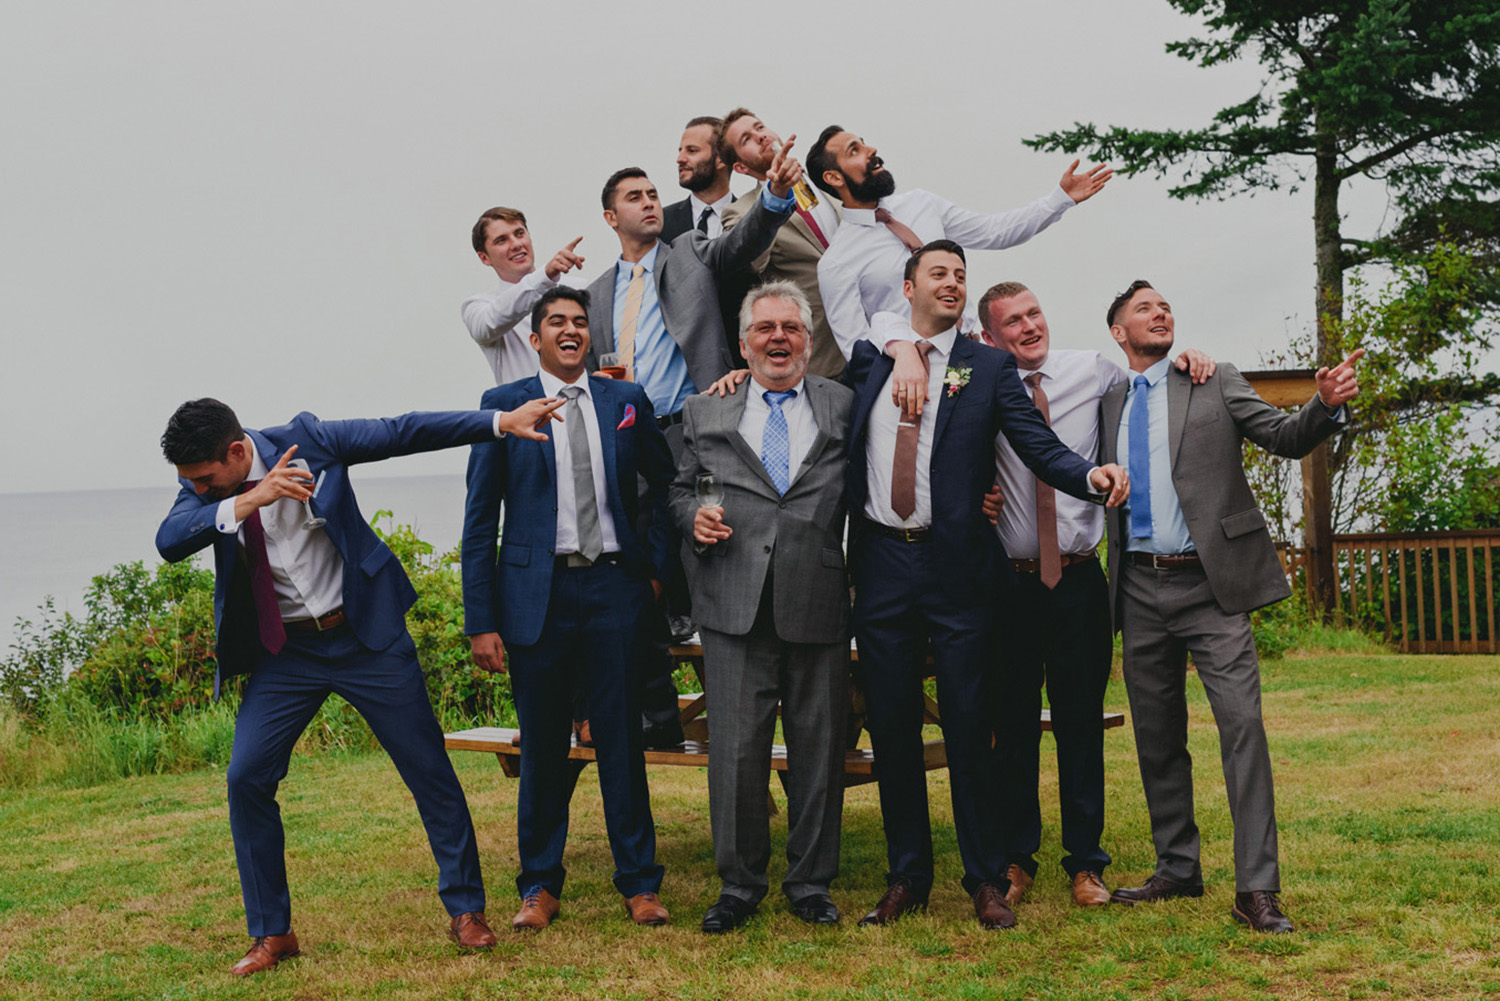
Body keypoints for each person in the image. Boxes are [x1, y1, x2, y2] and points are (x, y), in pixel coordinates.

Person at [156, 394, 564, 975]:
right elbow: (171, 540)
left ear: (238, 449)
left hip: (365, 637)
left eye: (205, 478)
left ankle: (467, 910)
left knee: (429, 771)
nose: (197, 489)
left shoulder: (312, 441)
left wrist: (500, 422)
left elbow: (403, 430)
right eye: (190, 482)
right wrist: (250, 499)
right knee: (246, 776)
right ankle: (273, 933)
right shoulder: (207, 489)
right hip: (286, 654)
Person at [845, 241, 1128, 931]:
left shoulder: (989, 366)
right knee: (891, 724)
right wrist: (900, 345)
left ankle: (986, 875)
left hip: (960, 567)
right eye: (937, 272)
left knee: (973, 723)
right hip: (882, 564)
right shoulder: (868, 358)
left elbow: (1037, 442)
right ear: (908, 285)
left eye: (959, 275)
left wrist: (1087, 475)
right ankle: (906, 874)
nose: (951, 281)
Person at [1099, 280, 1362, 933]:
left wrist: (1323, 404)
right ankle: (1178, 867)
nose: (1160, 311)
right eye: (1143, 307)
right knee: (1158, 736)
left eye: (1164, 304)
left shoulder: (1213, 380)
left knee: (1242, 725)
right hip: (1135, 585)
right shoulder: (1105, 401)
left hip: (1212, 584)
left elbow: (1284, 434)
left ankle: (1257, 888)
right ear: (1117, 331)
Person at [964, 283, 1213, 912]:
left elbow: (1150, 374)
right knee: (1013, 728)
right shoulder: (978, 386)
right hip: (1009, 582)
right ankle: (1018, 859)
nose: (1028, 328)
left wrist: (1190, 360)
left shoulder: (1092, 371)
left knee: (1080, 727)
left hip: (1078, 581)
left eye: (1034, 314)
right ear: (989, 337)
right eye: (1011, 323)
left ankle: (1086, 865)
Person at [462, 286, 677, 931]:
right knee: (545, 750)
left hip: (615, 588)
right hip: (537, 596)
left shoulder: (625, 400)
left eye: (580, 322)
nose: (570, 331)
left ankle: (640, 885)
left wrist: (656, 572)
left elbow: (665, 486)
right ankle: (539, 886)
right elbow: (480, 520)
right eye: (556, 322)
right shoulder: (503, 407)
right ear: (535, 339)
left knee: (620, 743)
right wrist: (482, 619)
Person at [584, 147, 803, 749]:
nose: (651, 203)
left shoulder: (690, 253)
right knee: (633, 555)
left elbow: (742, 242)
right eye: (635, 197)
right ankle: (656, 710)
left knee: (706, 535)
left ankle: (734, 673)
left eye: (653, 194)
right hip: (629, 431)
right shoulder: (597, 291)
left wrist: (776, 199)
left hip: (692, 422)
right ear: (610, 217)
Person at [669, 282, 853, 933]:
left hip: (819, 598)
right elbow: (678, 491)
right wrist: (695, 517)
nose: (779, 337)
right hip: (732, 604)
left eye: (790, 328)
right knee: (738, 756)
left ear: (807, 338)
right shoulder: (705, 411)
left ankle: (810, 882)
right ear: (744, 343)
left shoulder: (842, 404)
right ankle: (739, 885)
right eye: (765, 328)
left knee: (819, 752)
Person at [806, 125, 1111, 358]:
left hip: (972, 353)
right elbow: (857, 350)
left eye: (863, 142)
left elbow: (994, 232)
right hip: (914, 380)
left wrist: (1060, 200)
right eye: (854, 150)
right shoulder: (837, 263)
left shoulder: (922, 204)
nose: (871, 150)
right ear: (834, 178)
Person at [719, 108, 844, 379]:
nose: (760, 136)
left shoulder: (827, 186)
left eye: (760, 127)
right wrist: (775, 196)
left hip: (867, 346)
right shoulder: (740, 212)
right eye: (746, 139)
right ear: (740, 167)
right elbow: (752, 260)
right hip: (823, 360)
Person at [460, 206, 586, 385]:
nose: (516, 244)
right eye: (501, 240)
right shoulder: (478, 306)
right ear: (484, 258)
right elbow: (490, 322)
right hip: (526, 410)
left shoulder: (579, 288)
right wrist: (545, 276)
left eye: (519, 234)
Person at [661, 116, 735, 242]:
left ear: (721, 159)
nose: (680, 159)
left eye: (692, 151)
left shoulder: (749, 218)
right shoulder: (661, 222)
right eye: (680, 151)